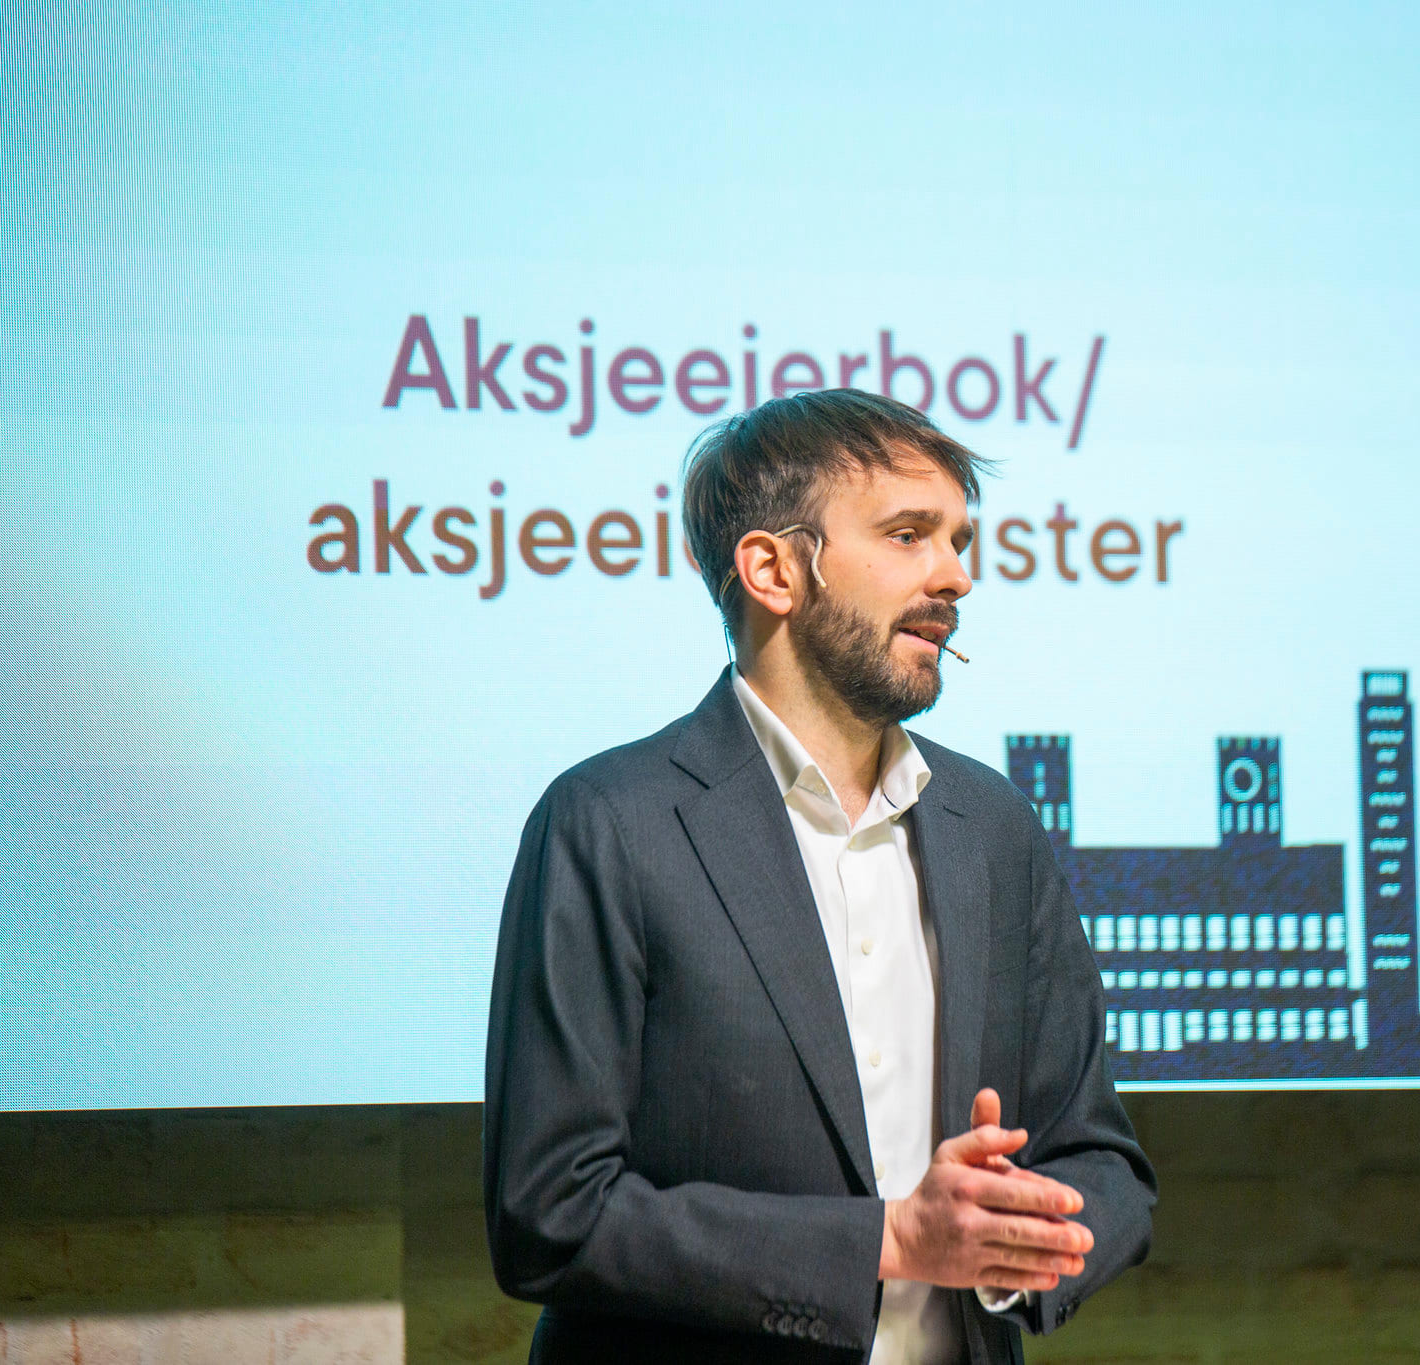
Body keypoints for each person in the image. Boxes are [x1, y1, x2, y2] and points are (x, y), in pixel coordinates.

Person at [483, 389, 1155, 1364]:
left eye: (959, 540)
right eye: (908, 535)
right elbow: (549, 1213)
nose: (956, 575)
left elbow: (1102, 1165)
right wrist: (891, 1242)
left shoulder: (992, 825)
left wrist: (1010, 1240)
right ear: (773, 570)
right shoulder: (609, 823)